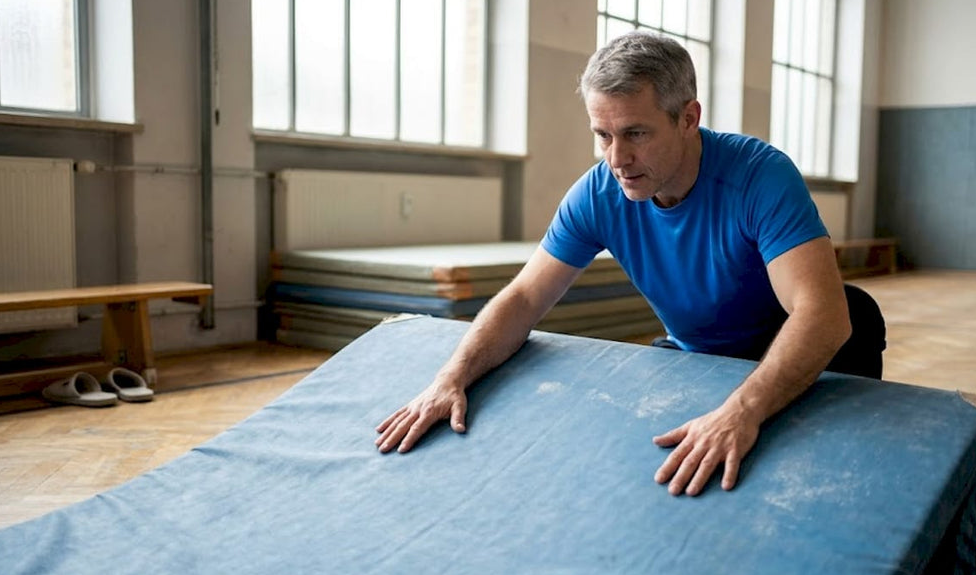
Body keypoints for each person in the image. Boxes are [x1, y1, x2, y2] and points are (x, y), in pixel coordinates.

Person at [376, 31, 881, 496]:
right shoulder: (600, 191)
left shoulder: (760, 176)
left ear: (688, 118)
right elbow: (526, 297)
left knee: (821, 453)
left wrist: (741, 412)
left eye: (636, 133)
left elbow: (823, 315)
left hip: (799, 347)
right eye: (603, 135)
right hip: (696, 351)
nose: (617, 158)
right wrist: (451, 377)